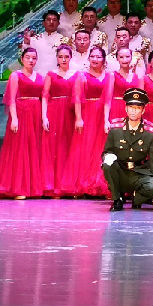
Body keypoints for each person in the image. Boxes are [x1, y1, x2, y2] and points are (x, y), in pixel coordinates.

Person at [0, 47, 44, 199]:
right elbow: (11, 99)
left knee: (33, 149)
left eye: (34, 58)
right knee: (20, 149)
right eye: (28, 57)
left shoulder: (40, 77)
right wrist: (14, 118)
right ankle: (17, 188)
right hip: (21, 114)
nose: (31, 60)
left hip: (35, 114)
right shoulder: (16, 75)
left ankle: (32, 188)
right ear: (22, 59)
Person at [101, 88, 153, 211]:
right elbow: (106, 151)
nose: (133, 111)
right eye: (131, 107)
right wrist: (108, 157)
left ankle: (137, 198)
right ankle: (117, 199)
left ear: (143, 110)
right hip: (120, 172)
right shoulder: (115, 128)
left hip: (139, 173)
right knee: (107, 165)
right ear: (126, 109)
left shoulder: (150, 132)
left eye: (137, 108)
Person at [63, 45, 111, 197]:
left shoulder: (109, 76)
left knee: (101, 148)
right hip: (88, 114)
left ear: (103, 59)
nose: (95, 59)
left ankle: (100, 184)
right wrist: (78, 118)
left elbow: (109, 99)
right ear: (88, 59)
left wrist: (107, 118)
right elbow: (77, 98)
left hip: (103, 114)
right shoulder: (81, 76)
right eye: (92, 56)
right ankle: (83, 184)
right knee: (85, 147)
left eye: (98, 56)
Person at [40, 44, 78, 197]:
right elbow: (45, 95)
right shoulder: (51, 74)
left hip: (70, 113)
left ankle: (67, 185)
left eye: (66, 57)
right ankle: (53, 185)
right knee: (54, 148)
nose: (63, 59)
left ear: (71, 57)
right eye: (61, 57)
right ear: (57, 58)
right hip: (54, 112)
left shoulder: (76, 74)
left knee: (68, 147)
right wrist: (44, 116)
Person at [106, 47, 143, 125]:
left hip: (132, 111)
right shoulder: (113, 75)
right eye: (121, 57)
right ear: (117, 59)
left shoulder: (136, 77)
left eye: (127, 56)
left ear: (131, 58)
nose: (124, 60)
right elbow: (108, 99)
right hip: (116, 109)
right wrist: (106, 120)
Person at [22, 10, 66, 76]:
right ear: (43, 23)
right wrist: (26, 43)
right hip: (37, 78)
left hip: (57, 78)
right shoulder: (35, 39)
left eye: (54, 20)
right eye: (48, 20)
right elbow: (25, 56)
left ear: (58, 23)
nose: (51, 22)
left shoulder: (63, 41)